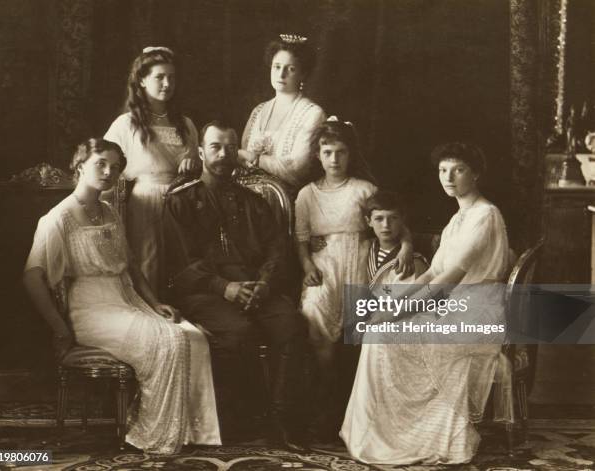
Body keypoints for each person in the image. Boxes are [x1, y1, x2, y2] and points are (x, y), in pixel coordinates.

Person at [23, 138, 220, 454]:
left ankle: (193, 433)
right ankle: (154, 435)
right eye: (100, 163)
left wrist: (154, 303)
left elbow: (131, 265)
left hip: (127, 300)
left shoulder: (110, 212)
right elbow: (32, 278)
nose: (108, 171)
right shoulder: (58, 218)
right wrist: (60, 328)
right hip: (91, 310)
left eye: (115, 167)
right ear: (80, 165)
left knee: (192, 336)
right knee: (169, 340)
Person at [340, 142, 510, 465]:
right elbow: (432, 271)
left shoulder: (484, 215)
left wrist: (398, 313)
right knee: (379, 331)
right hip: (458, 306)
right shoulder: (458, 218)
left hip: (477, 312)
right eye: (443, 170)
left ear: (475, 174)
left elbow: (450, 280)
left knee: (381, 336)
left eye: (458, 170)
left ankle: (408, 437)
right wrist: (391, 304)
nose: (449, 177)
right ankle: (380, 433)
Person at [163, 121, 305, 450]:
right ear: (201, 152)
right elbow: (181, 263)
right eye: (215, 146)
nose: (223, 154)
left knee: (292, 326)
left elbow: (275, 251)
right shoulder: (181, 202)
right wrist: (223, 287)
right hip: (205, 291)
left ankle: (282, 423)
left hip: (256, 288)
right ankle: (241, 421)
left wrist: (265, 284)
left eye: (230, 147)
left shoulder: (255, 202)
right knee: (238, 332)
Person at [295, 119, 414, 439]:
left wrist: (406, 247)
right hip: (324, 265)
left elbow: (395, 224)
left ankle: (356, 412)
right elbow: (302, 240)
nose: (335, 159)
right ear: (318, 156)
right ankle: (324, 404)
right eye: (328, 152)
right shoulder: (307, 194)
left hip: (361, 263)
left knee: (361, 333)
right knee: (316, 316)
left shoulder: (364, 189)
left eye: (341, 152)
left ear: (350, 154)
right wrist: (307, 265)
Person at [105, 46, 199, 295]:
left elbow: (199, 167)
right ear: (143, 80)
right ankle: (153, 310)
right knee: (149, 261)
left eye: (172, 77)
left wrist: (191, 167)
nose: (167, 83)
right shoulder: (127, 124)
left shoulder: (186, 125)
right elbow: (105, 161)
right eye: (160, 77)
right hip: (145, 202)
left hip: (181, 201)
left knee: (183, 261)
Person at [239, 34, 326, 191]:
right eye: (277, 67)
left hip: (287, 200)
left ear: (303, 74)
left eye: (290, 69)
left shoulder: (312, 114)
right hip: (248, 198)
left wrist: (255, 158)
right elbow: (241, 157)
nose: (281, 74)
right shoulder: (258, 111)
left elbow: (298, 168)